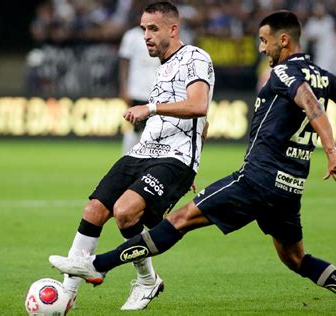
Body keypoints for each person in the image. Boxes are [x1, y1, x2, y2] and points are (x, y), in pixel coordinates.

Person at [50, 10, 336, 315]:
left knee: (178, 220)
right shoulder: (323, 75)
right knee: (296, 259)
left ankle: (96, 265)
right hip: (289, 189)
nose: (262, 48)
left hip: (255, 180)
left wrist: (332, 147)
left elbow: (309, 103)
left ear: (284, 41)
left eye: (264, 40)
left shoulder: (285, 72)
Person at [54, 1, 215, 311]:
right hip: (143, 151)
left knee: (126, 212)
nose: (146, 36)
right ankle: (66, 294)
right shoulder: (164, 66)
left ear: (173, 28)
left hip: (174, 157)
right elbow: (203, 126)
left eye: (153, 28)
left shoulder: (195, 57)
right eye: (143, 29)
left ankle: (144, 281)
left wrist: (150, 109)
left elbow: (199, 107)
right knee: (94, 210)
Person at [118, 23, 160, 155]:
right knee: (135, 127)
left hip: (157, 91)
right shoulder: (131, 36)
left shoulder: (161, 34)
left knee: (156, 129)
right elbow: (124, 64)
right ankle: (127, 157)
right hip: (137, 90)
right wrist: (124, 88)